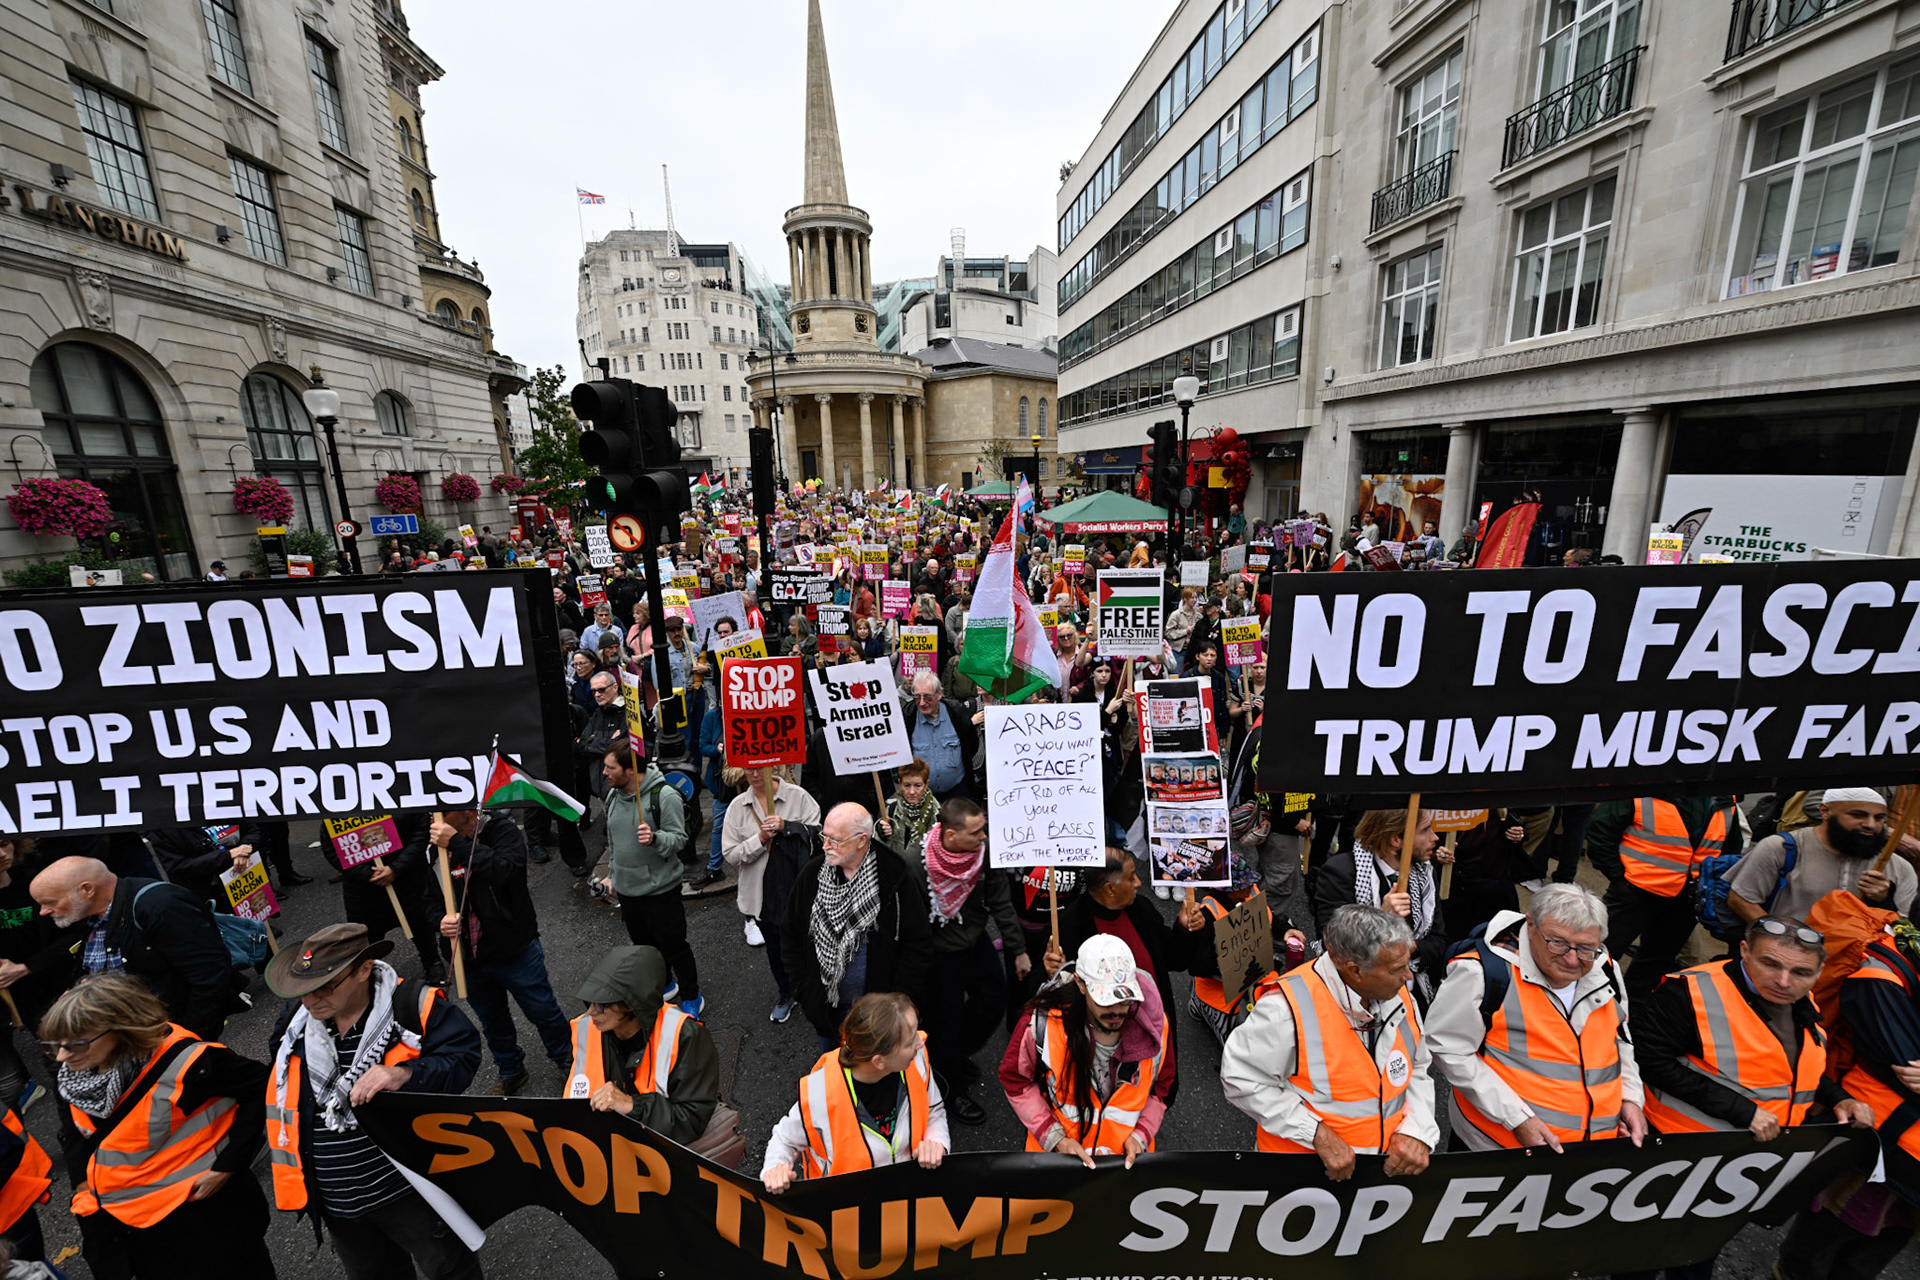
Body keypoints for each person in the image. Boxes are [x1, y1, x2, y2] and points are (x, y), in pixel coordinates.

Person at [1630, 918, 1874, 1280]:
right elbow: (1650, 1060)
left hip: (1744, 1157)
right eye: (1770, 963)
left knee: (1702, 1249)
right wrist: (1742, 1111)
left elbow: (1791, 1066)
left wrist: (1838, 1098)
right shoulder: (1690, 992)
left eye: (1801, 971)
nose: (1783, 981)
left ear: (1819, 970)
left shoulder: (1797, 997)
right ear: (1744, 950)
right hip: (1678, 1153)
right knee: (1644, 1251)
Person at [263, 923, 482, 1279]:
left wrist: (406, 1075)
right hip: (340, 1206)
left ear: (364, 970)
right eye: (303, 990)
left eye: (324, 987)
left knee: (449, 1269)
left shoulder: (414, 1005)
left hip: (411, 1192)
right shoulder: (296, 1020)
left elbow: (463, 1058)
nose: (310, 1000)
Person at [47, 973, 273, 1278]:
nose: (62, 1056)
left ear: (122, 1027)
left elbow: (262, 1088)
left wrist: (227, 1166)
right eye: (53, 1044)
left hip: (207, 1223)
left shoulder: (190, 1063)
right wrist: (82, 1193)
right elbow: (78, 1138)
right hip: (133, 1231)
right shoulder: (74, 1077)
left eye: (76, 1043)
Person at [1221, 905, 1436, 1181]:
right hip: (1301, 1175)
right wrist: (1316, 1133)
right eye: (1397, 969)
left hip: (1378, 1174)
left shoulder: (1399, 994)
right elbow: (1240, 1078)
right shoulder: (1285, 1010)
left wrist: (1417, 1130)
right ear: (1355, 971)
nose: (1408, 976)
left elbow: (1416, 1068)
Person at [1426, 883, 1646, 1150]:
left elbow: (1619, 1039)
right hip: (1496, 1149)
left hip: (1592, 1151)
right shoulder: (1481, 973)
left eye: (1586, 948)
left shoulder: (1604, 967)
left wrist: (1631, 1099)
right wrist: (1516, 1118)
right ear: (1530, 925)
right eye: (1558, 943)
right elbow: (1448, 1049)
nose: (1573, 959)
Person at [430, 810, 574, 1095]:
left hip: (514, 949)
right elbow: (428, 899)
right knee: (492, 1021)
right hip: (469, 958)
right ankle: (510, 1069)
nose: (434, 820)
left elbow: (506, 870)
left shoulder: (501, 831)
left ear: (468, 812)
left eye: (444, 812)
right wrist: (439, 920)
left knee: (543, 1011)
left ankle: (568, 1062)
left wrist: (457, 842)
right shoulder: (433, 848)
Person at [906, 798, 1028, 1125]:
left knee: (993, 1001)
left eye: (983, 829)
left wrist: (1018, 950)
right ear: (949, 836)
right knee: (943, 1023)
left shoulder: (983, 854)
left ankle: (957, 1053)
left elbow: (1000, 899)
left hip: (974, 942)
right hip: (938, 954)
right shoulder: (915, 864)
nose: (984, 837)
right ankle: (952, 1090)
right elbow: (908, 927)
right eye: (975, 833)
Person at [1001, 934, 1171, 1167]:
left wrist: (1140, 1136)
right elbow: (1015, 1081)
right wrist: (1055, 1139)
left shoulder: (1157, 1027)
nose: (1116, 1011)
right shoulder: (1041, 1023)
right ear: (1080, 984)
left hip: (1121, 1171)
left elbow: (1162, 1087)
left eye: (1124, 999)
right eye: (1105, 1000)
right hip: (1059, 1165)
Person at [30, 857, 234, 1041]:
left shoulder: (160, 905)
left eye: (49, 902)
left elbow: (210, 975)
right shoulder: (86, 917)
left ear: (87, 889)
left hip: (173, 1040)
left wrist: (189, 1037)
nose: (43, 911)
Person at [761, 992, 947, 1192]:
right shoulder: (820, 1094)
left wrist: (935, 1142)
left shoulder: (916, 1059)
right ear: (879, 1062)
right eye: (910, 1042)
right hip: (849, 1208)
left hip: (906, 1194)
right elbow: (784, 1140)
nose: (921, 1042)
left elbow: (934, 1111)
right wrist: (775, 1170)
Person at [783, 804, 932, 1048]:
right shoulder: (811, 876)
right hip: (828, 1014)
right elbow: (790, 935)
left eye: (834, 840)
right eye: (824, 836)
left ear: (862, 840)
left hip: (882, 1018)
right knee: (837, 1080)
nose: (825, 846)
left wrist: (900, 1000)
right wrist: (804, 990)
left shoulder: (894, 877)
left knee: (881, 1080)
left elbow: (918, 943)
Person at [1587, 792, 1742, 1001]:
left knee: (1655, 964)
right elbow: (1600, 832)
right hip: (1636, 891)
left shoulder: (1726, 800)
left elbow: (1730, 850)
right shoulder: (1645, 787)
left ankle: (1631, 1012)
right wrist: (1620, 878)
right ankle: (1584, 1000)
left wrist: (1707, 886)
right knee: (1602, 951)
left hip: (1685, 899)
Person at [562, 945, 719, 1146]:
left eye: (601, 1004)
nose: (591, 1012)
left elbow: (691, 1119)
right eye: (588, 1002)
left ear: (631, 1004)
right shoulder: (585, 1029)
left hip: (664, 1149)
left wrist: (630, 1105)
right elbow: (571, 1086)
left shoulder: (686, 1037)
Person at [1049, 849, 1195, 1058]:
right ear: (1110, 889)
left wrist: (1184, 929)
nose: (1138, 883)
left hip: (1155, 1032)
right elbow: (1058, 999)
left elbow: (1174, 959)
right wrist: (1054, 973)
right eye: (1131, 877)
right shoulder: (1068, 927)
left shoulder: (1141, 909)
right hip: (1102, 1052)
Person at [597, 743, 700, 1018]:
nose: (604, 772)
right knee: (645, 948)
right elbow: (614, 842)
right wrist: (611, 876)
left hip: (661, 891)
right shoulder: (613, 796)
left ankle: (692, 996)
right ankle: (665, 984)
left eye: (611, 767)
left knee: (674, 946)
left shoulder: (663, 796)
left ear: (630, 771)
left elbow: (679, 840)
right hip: (629, 893)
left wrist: (655, 838)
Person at [1313, 808, 1449, 1005]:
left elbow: (1438, 939)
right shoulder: (1341, 872)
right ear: (1396, 840)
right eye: (1424, 831)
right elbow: (1331, 945)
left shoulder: (1425, 875)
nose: (1435, 837)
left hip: (1412, 995)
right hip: (1357, 997)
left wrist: (1407, 950)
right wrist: (1381, 918)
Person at [1728, 786, 1914, 924]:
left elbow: (1906, 926)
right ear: (1825, 811)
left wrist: (1886, 902)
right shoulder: (1781, 848)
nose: (1871, 825)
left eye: (1879, 818)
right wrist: (1779, 938)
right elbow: (1741, 900)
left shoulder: (1897, 866)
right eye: (1858, 815)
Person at [722, 765, 819, 1024]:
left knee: (807, 946)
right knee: (776, 951)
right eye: (749, 770)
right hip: (761, 898)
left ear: (772, 766)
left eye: (759, 769)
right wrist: (761, 838)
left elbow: (819, 838)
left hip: (798, 893)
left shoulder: (798, 797)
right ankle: (786, 994)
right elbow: (730, 854)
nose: (754, 775)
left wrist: (788, 826)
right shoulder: (737, 807)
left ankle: (815, 991)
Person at [1182, 852, 1308, 1045]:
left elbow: (1269, 914)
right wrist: (1236, 969)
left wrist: (1286, 929)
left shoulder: (1252, 893)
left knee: (1288, 1010)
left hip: (1257, 972)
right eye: (1243, 885)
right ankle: (1198, 1002)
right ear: (1228, 890)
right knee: (1240, 1045)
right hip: (1220, 989)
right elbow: (1199, 966)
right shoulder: (1206, 916)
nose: (1250, 886)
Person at [907, 672, 978, 803]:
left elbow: (972, 745)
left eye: (927, 697)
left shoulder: (957, 713)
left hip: (957, 791)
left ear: (939, 694)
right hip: (921, 796)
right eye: (917, 697)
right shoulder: (908, 717)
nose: (922, 702)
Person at [878, 759, 940, 854]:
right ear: (900, 784)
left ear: (926, 784)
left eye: (917, 786)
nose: (912, 792)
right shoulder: (889, 809)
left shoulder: (938, 813)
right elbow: (880, 849)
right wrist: (881, 833)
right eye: (907, 785)